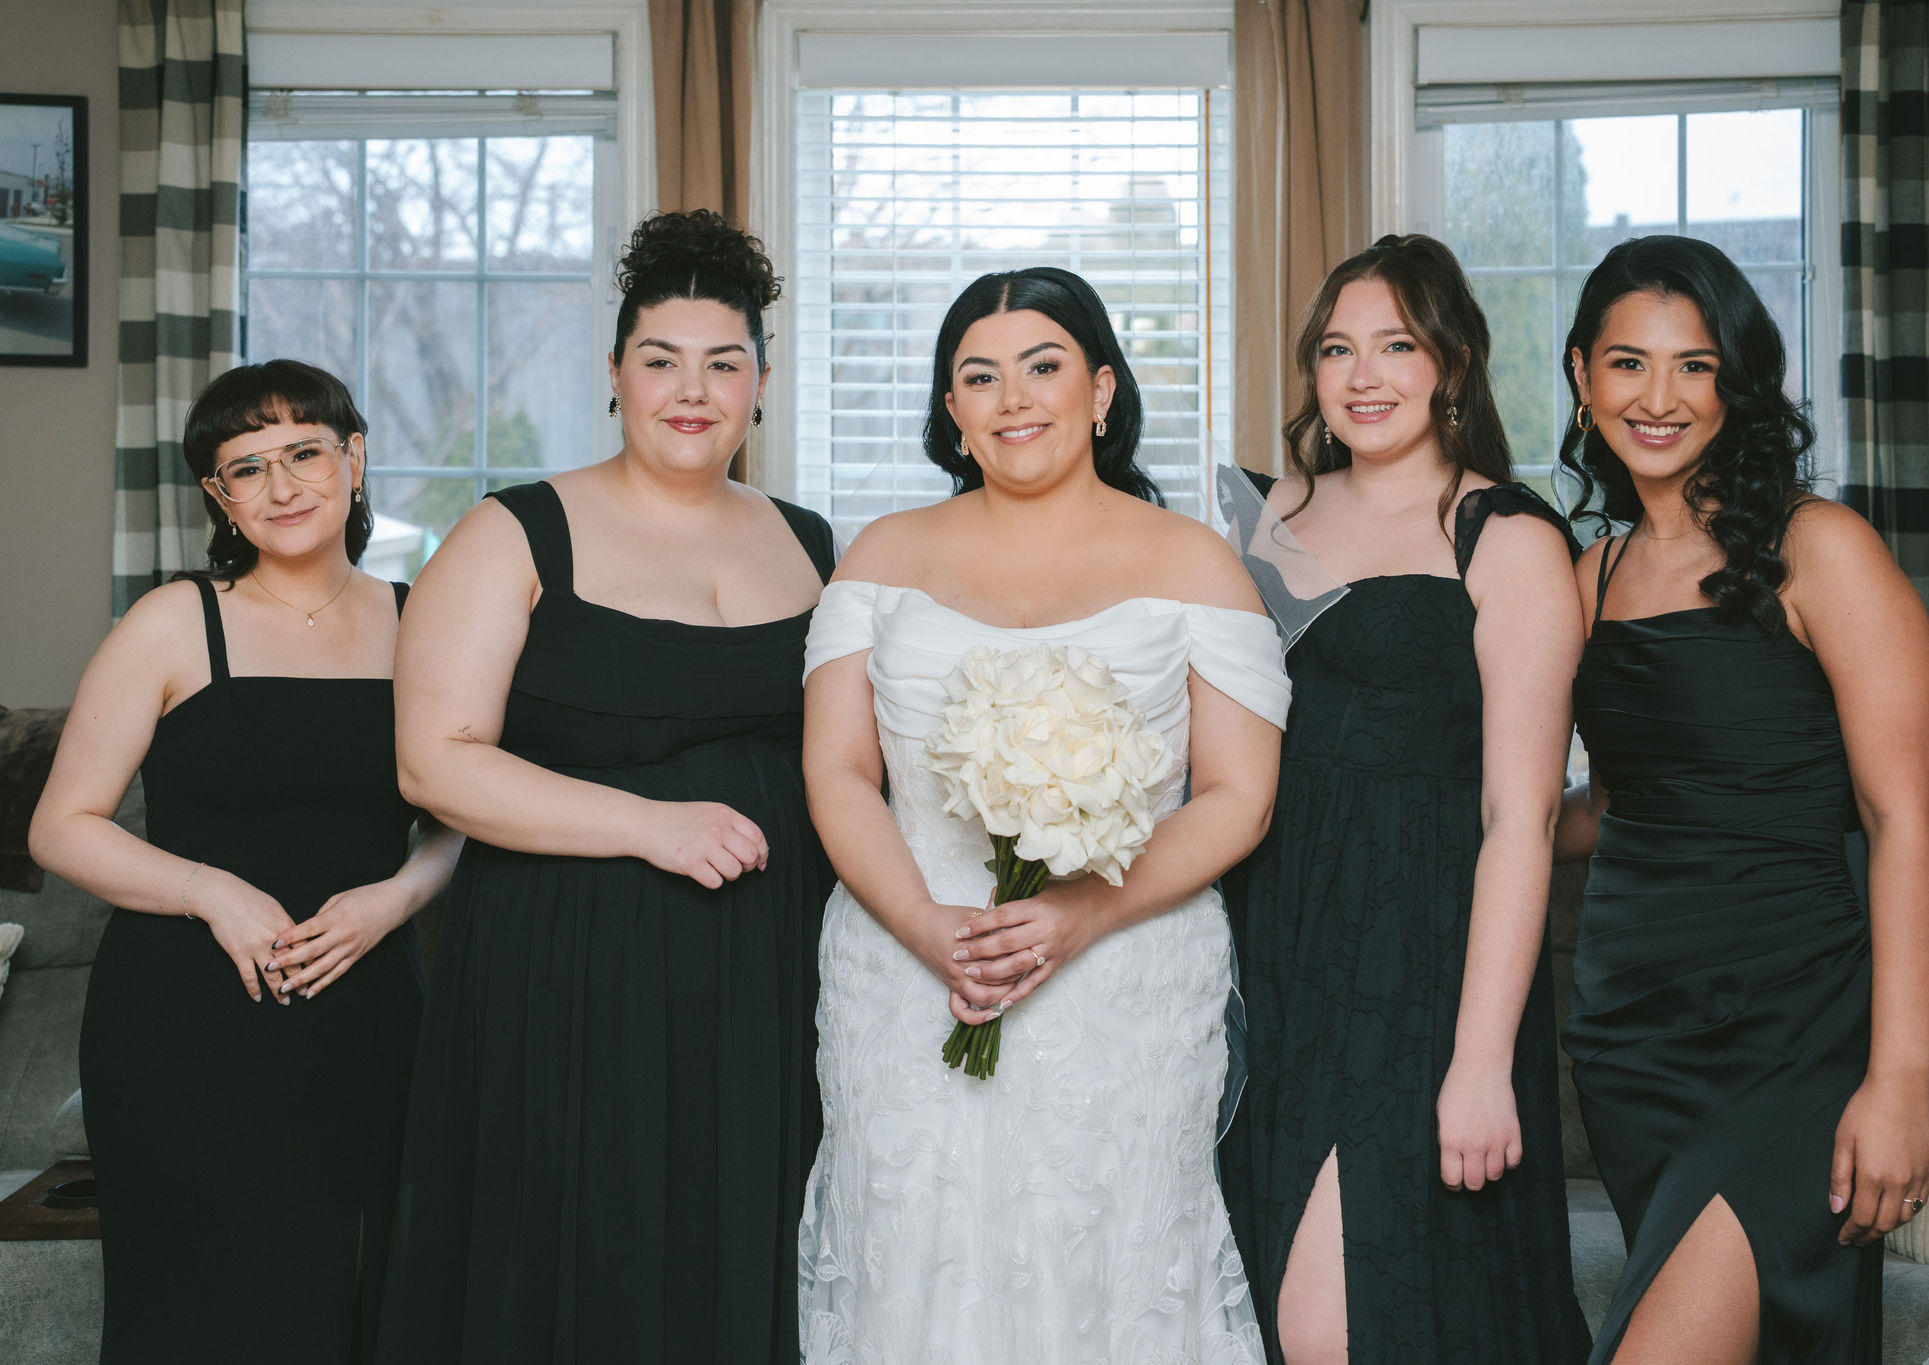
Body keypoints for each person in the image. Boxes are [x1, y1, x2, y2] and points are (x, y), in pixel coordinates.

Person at [797, 265, 1289, 1363]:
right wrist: (924, 926)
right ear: (950, 409)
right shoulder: (881, 557)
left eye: (1043, 366)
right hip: (905, 965)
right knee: (915, 1256)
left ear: (1101, 390)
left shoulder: (1195, 563)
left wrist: (1081, 913)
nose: (1013, 398)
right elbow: (837, 771)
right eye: (979, 376)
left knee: (1105, 1258)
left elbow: (1238, 795)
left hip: (1121, 966)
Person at [375, 209, 836, 1364]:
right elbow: (435, 762)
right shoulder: (510, 533)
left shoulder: (813, 542)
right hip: (571, 968)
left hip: (770, 974)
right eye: (661, 360)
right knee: (590, 1264)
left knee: (751, 1252)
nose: (692, 391)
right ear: (616, 375)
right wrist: (647, 827)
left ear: (759, 385)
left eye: (723, 363)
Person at [1554, 234, 1929, 1365]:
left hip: (1792, 1033)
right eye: (1628, 363)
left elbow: (1906, 821)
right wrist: (1469, 830)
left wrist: (1899, 1081)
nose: (1658, 398)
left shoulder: (1820, 548)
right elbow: (1609, 807)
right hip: (1630, 1038)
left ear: (1736, 380)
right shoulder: (1592, 577)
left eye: (1695, 365)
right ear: (1581, 375)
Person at [29, 360, 457, 1364]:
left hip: (367, 1007)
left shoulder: (424, 622)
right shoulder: (173, 620)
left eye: (304, 452)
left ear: (354, 458)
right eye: (247, 467)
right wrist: (207, 890)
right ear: (219, 496)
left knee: (357, 1305)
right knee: (198, 1311)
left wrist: (395, 899)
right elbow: (63, 825)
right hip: (186, 1021)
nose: (282, 485)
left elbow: (461, 817)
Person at [1217, 234, 1591, 1364]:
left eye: (1395, 345)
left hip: (1420, 953)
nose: (1362, 375)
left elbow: (1521, 820)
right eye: (1337, 349)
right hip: (1265, 939)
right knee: (1249, 1297)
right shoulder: (1261, 514)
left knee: (1343, 1320)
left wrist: (1480, 1062)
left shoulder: (1506, 535)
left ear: (1453, 364)